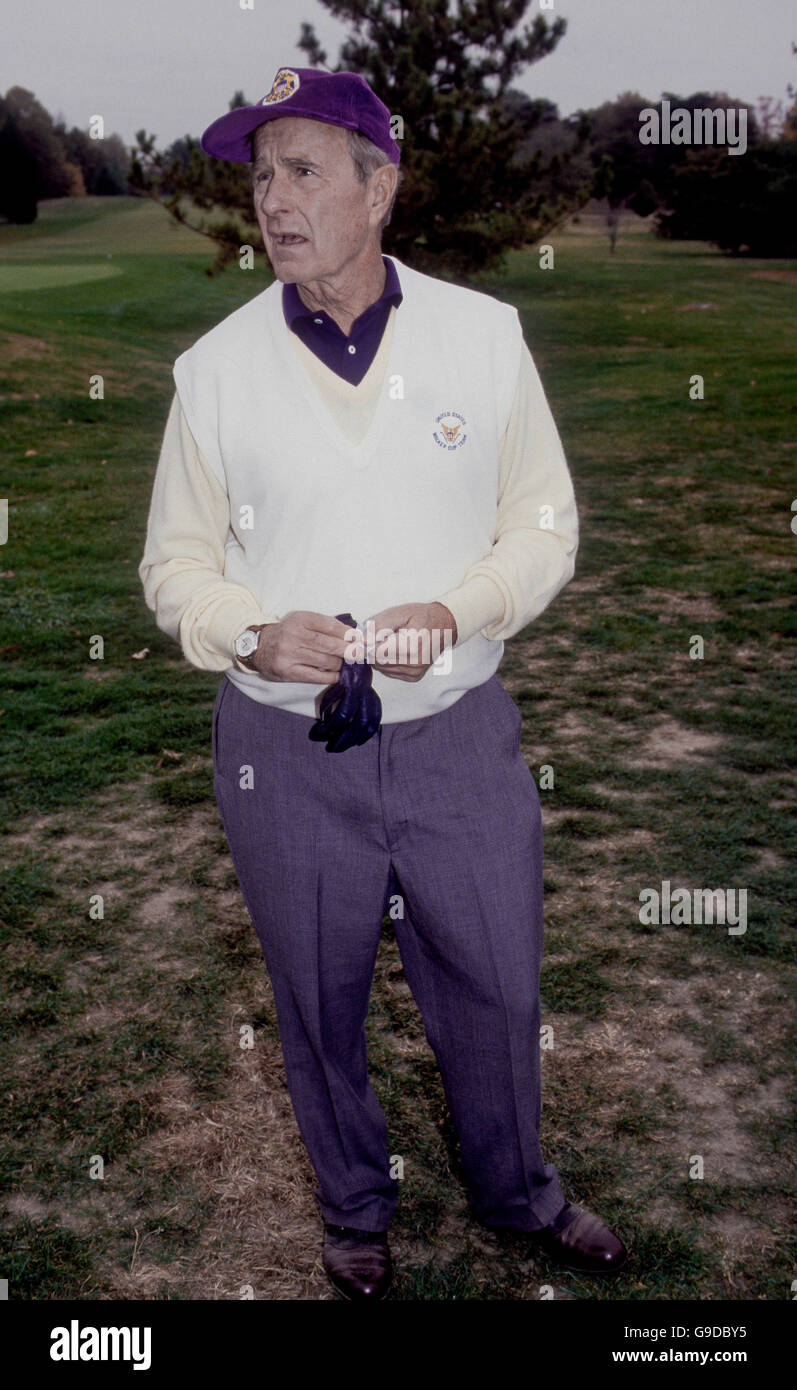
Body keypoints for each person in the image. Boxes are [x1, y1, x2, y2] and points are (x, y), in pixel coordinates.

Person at [138, 65, 628, 1300]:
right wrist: (246, 628)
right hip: (283, 755)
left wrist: (458, 607)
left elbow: (544, 524)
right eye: (259, 175)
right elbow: (174, 564)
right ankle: (356, 1209)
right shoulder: (215, 370)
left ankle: (518, 1190)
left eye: (304, 170)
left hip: (455, 734)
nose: (272, 199)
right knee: (316, 997)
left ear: (380, 187)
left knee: (497, 983)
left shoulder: (480, 335)